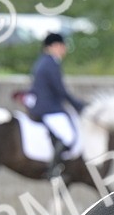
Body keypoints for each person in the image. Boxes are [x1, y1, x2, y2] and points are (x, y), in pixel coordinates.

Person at [26, 33, 88, 171]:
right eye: (62, 46)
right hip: (48, 108)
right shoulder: (50, 64)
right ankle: (53, 169)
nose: (64, 49)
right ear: (53, 46)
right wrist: (78, 105)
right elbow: (60, 90)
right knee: (68, 136)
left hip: (44, 105)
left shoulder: (44, 61)